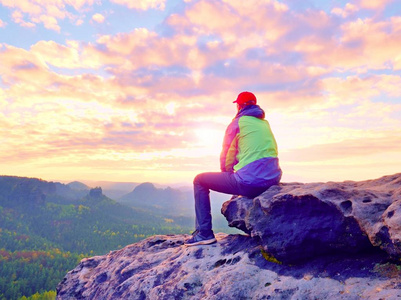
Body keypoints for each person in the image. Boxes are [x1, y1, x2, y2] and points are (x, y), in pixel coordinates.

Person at [185, 91, 282, 246]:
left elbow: (227, 156)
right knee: (244, 176)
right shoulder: (264, 124)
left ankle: (204, 233)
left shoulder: (238, 123)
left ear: (239, 106)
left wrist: (228, 178)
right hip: (273, 180)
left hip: (251, 183)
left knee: (199, 180)